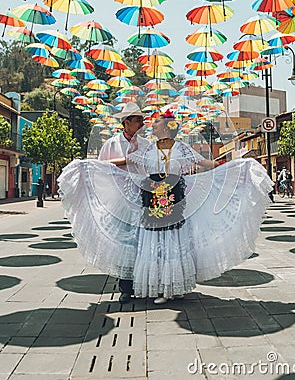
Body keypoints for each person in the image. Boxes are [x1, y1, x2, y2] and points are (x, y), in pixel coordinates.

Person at [58, 110, 273, 305]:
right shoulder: (148, 148)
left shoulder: (181, 148)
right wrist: (89, 165)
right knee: (156, 241)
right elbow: (126, 162)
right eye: (146, 122)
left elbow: (202, 163)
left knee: (174, 240)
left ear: (167, 127)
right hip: (152, 197)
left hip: (175, 196)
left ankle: (173, 287)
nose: (150, 125)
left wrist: (233, 166)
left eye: (156, 123)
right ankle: (161, 286)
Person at [98, 102, 146, 304]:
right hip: (121, 198)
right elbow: (100, 166)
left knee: (141, 241)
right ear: (126, 123)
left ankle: (142, 282)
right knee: (125, 241)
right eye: (137, 120)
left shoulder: (146, 144)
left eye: (142, 120)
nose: (141, 124)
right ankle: (125, 286)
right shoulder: (112, 144)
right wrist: (124, 162)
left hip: (142, 197)